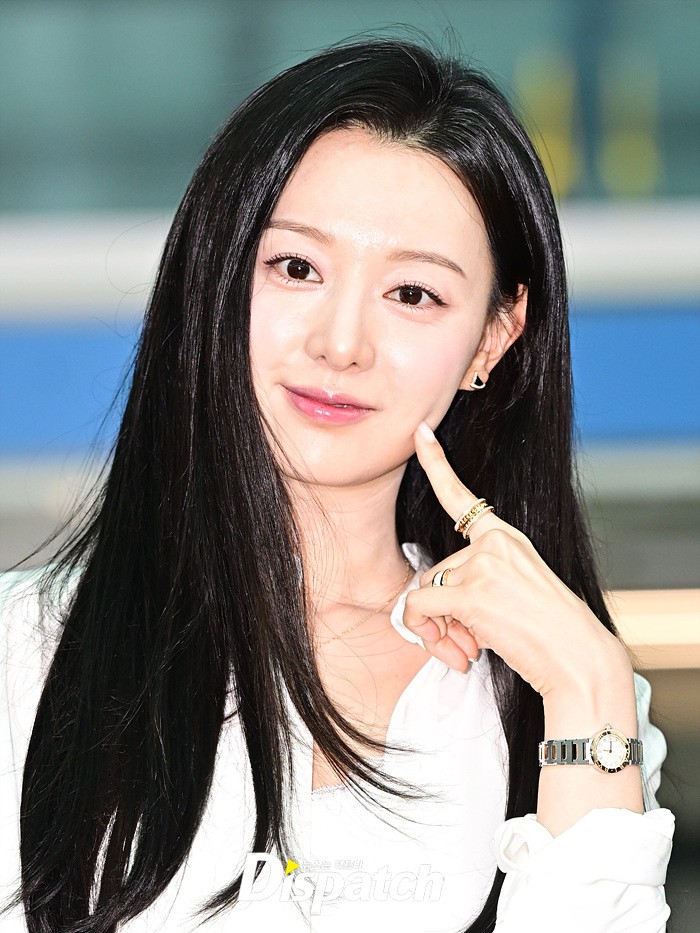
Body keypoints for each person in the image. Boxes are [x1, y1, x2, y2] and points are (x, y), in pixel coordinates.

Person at [0, 37, 674, 933]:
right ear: (218, 277)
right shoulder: (25, 654)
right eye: (297, 268)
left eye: (413, 294)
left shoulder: (562, 697)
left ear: (492, 338)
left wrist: (589, 683)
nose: (341, 342)